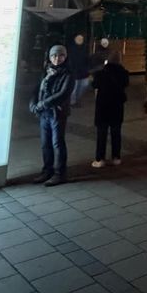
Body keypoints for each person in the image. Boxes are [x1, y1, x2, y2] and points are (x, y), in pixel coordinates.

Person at [30, 44, 74, 186]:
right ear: (50, 57)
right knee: (45, 144)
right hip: (44, 114)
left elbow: (62, 94)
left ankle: (60, 173)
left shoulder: (68, 74)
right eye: (54, 55)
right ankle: (47, 170)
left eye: (60, 55)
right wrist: (33, 103)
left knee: (57, 143)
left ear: (65, 57)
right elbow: (37, 89)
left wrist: (42, 104)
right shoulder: (46, 72)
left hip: (58, 113)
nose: (57, 58)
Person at [91, 51, 129, 168]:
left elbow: (94, 85)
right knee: (116, 132)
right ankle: (116, 157)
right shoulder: (124, 73)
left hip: (103, 106)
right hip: (117, 106)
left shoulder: (100, 73)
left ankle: (100, 159)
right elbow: (125, 85)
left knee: (101, 133)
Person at [69, 34, 92, 106]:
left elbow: (88, 60)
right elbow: (69, 61)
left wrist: (88, 69)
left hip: (84, 72)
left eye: (81, 39)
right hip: (74, 72)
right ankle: (73, 102)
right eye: (78, 39)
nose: (80, 40)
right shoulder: (71, 49)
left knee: (84, 85)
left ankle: (77, 99)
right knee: (74, 88)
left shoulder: (85, 48)